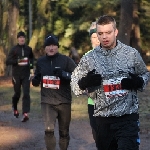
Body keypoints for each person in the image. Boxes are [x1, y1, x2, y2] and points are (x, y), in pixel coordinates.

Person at [71, 15, 150, 150]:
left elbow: (145, 73)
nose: (104, 37)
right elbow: (74, 83)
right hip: (103, 119)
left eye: (108, 32)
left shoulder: (131, 54)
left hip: (127, 118)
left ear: (116, 32)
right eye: (100, 33)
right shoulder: (89, 58)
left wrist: (138, 82)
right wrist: (84, 82)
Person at [32, 34, 76, 150]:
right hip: (47, 101)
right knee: (48, 131)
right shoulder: (41, 61)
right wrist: (35, 81)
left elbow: (78, 76)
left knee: (64, 133)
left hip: (64, 101)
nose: (51, 48)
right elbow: (37, 76)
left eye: (54, 45)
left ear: (57, 47)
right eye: (48, 45)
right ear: (45, 48)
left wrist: (64, 74)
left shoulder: (66, 60)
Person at [6, 31, 34, 122]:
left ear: (25, 39)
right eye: (20, 37)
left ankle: (25, 113)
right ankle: (15, 108)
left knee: (26, 93)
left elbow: (31, 60)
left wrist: (31, 69)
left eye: (23, 37)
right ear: (17, 39)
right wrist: (17, 61)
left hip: (26, 75)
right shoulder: (14, 49)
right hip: (16, 75)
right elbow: (8, 61)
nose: (22, 39)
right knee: (17, 93)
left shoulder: (28, 49)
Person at [85, 21, 100, 143]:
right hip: (93, 102)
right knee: (97, 136)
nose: (97, 40)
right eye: (94, 37)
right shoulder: (87, 56)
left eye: (99, 36)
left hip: (112, 102)